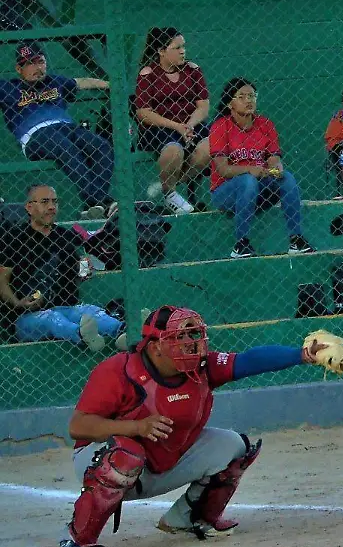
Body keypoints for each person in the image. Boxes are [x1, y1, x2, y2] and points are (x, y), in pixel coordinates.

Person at [56, 305, 343, 547]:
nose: (190, 344)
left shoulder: (201, 367)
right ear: (154, 345)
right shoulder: (118, 370)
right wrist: (135, 427)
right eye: (178, 337)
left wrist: (303, 354)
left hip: (162, 459)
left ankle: (189, 519)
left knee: (234, 446)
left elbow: (249, 360)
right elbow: (78, 427)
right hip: (105, 461)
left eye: (193, 335)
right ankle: (77, 540)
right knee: (126, 455)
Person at [0, 184, 122, 351]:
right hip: (26, 317)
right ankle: (82, 335)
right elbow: (2, 278)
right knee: (52, 318)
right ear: (29, 207)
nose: (52, 207)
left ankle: (123, 331)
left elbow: (80, 272)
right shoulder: (14, 238)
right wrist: (18, 302)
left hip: (66, 308)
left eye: (55, 202)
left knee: (90, 311)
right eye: (45, 202)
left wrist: (85, 269)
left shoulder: (66, 236)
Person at [0, 42, 113, 219]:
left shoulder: (54, 81)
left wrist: (111, 84)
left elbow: (80, 82)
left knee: (102, 146)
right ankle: (100, 201)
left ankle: (94, 206)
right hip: (35, 135)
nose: (37, 68)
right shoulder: (7, 87)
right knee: (66, 148)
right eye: (30, 63)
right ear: (18, 69)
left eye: (40, 61)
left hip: (66, 127)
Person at [208, 77, 314, 259]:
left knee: (287, 178)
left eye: (252, 96)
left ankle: (296, 239)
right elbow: (223, 170)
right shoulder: (220, 126)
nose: (248, 100)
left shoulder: (265, 124)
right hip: (226, 193)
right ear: (230, 103)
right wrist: (250, 169)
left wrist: (276, 168)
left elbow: (273, 158)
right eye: (242, 97)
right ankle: (241, 244)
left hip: (259, 189)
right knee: (247, 181)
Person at [133, 27, 212, 214]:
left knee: (211, 146)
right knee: (174, 150)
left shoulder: (193, 70)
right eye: (177, 48)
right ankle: (170, 194)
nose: (183, 51)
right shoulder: (148, 74)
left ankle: (170, 186)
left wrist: (189, 124)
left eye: (183, 47)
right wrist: (177, 126)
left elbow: (203, 106)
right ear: (162, 51)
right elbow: (143, 113)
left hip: (191, 124)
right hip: (161, 127)